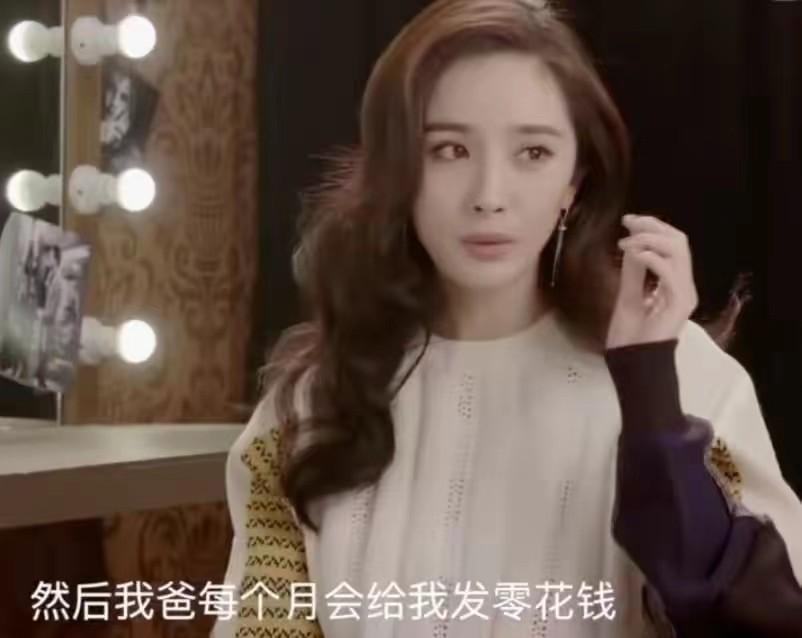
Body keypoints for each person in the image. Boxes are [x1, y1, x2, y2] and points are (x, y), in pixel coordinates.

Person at [214, 0, 802, 636]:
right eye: (448, 150)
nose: (489, 196)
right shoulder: (310, 403)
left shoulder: (679, 377)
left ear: (575, 180)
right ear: (396, 170)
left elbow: (756, 621)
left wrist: (651, 399)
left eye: (533, 152)